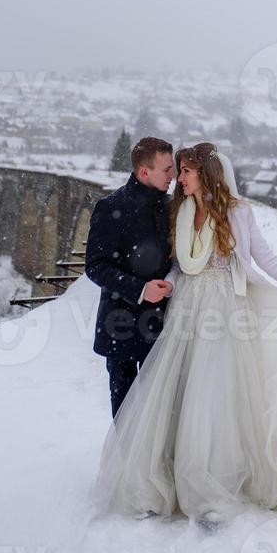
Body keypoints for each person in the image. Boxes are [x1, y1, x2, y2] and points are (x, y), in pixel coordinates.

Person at [88, 142, 277, 531]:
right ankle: (167, 474)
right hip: (184, 311)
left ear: (207, 175)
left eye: (185, 171)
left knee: (215, 395)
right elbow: (176, 265)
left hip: (225, 313)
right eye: (175, 170)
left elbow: (266, 259)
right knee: (178, 397)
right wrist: (155, 285)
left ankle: (212, 481)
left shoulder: (239, 213)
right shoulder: (179, 210)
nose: (178, 178)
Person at [84, 136, 176, 417]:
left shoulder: (172, 207)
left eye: (173, 168)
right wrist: (139, 289)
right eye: (167, 170)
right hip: (120, 325)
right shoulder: (111, 207)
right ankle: (124, 462)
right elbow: (96, 266)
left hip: (163, 324)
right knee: (125, 412)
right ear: (144, 172)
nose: (173, 176)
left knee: (160, 411)